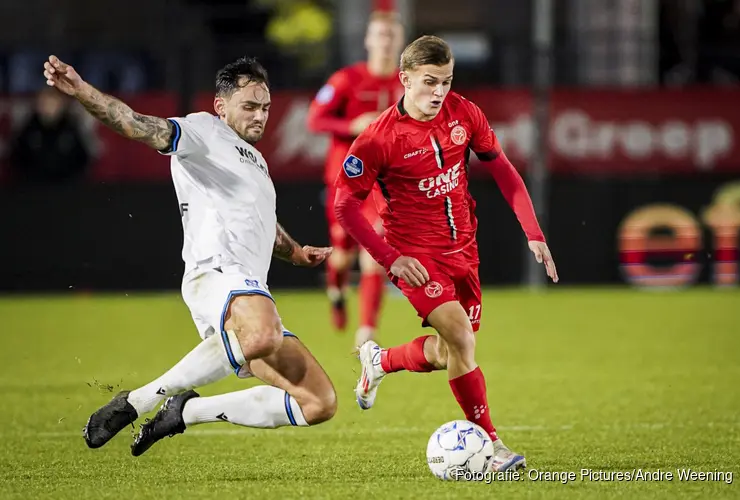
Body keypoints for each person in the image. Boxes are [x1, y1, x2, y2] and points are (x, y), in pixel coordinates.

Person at [42, 54, 337, 456]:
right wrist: (81, 91)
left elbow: (261, 224)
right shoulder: (203, 130)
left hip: (246, 287)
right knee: (263, 333)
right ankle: (139, 401)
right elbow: (135, 124)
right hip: (217, 272)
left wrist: (297, 252)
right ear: (221, 106)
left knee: (318, 403)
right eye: (249, 106)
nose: (260, 116)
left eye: (265, 108)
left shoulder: (256, 162)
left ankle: (186, 412)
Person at [333, 35, 559, 473]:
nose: (439, 92)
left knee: (448, 351)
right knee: (461, 337)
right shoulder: (378, 139)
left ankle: (381, 360)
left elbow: (504, 170)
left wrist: (532, 231)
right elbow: (345, 205)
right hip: (415, 258)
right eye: (429, 82)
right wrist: (390, 259)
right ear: (405, 80)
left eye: (447, 81)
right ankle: (493, 447)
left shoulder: (465, 113)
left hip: (464, 251)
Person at [307, 10, 404, 346]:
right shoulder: (346, 80)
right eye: (380, 35)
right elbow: (315, 120)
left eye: (391, 36)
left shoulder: (407, 84)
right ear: (367, 40)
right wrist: (351, 126)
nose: (386, 42)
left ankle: (367, 333)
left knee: (376, 249)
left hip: (382, 183)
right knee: (342, 254)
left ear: (400, 41)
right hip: (345, 180)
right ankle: (335, 290)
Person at [9, 86, 91, 184]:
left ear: (61, 105)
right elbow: (16, 157)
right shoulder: (30, 128)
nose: (48, 107)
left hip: (66, 187)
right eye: (44, 103)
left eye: (52, 103)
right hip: (33, 188)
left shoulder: (70, 128)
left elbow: (83, 158)